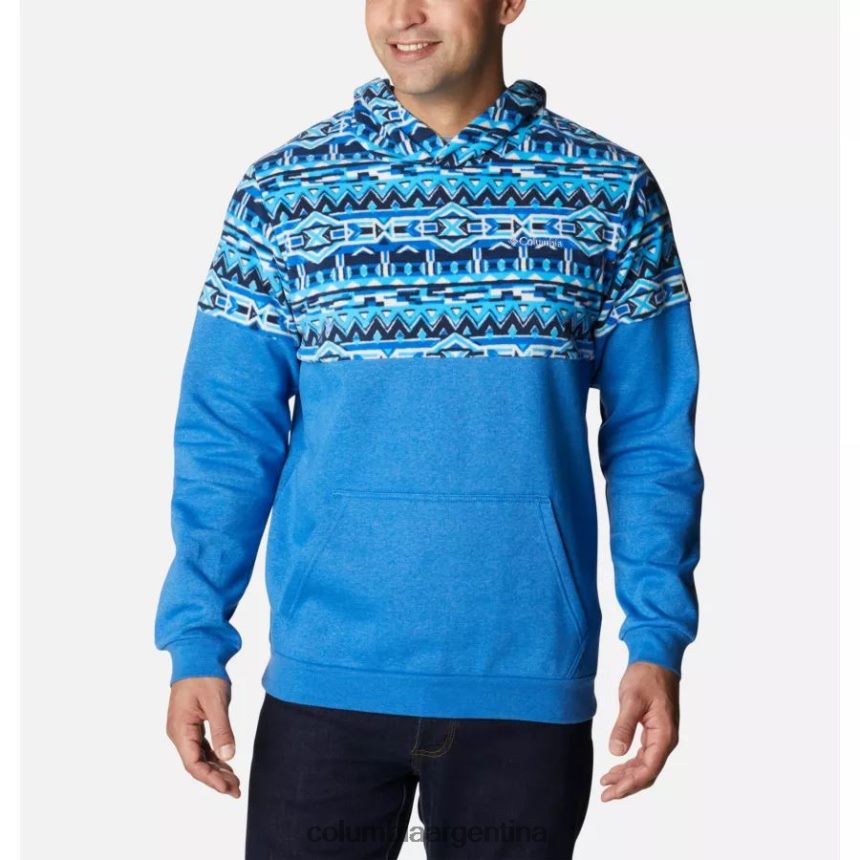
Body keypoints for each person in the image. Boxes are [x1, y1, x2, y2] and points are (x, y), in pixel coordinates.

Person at [154, 0, 705, 856]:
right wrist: (196, 639)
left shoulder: (611, 191)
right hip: (326, 680)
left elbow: (651, 441)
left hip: (525, 684)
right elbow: (227, 436)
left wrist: (657, 638)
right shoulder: (283, 193)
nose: (404, 14)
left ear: (508, 2)